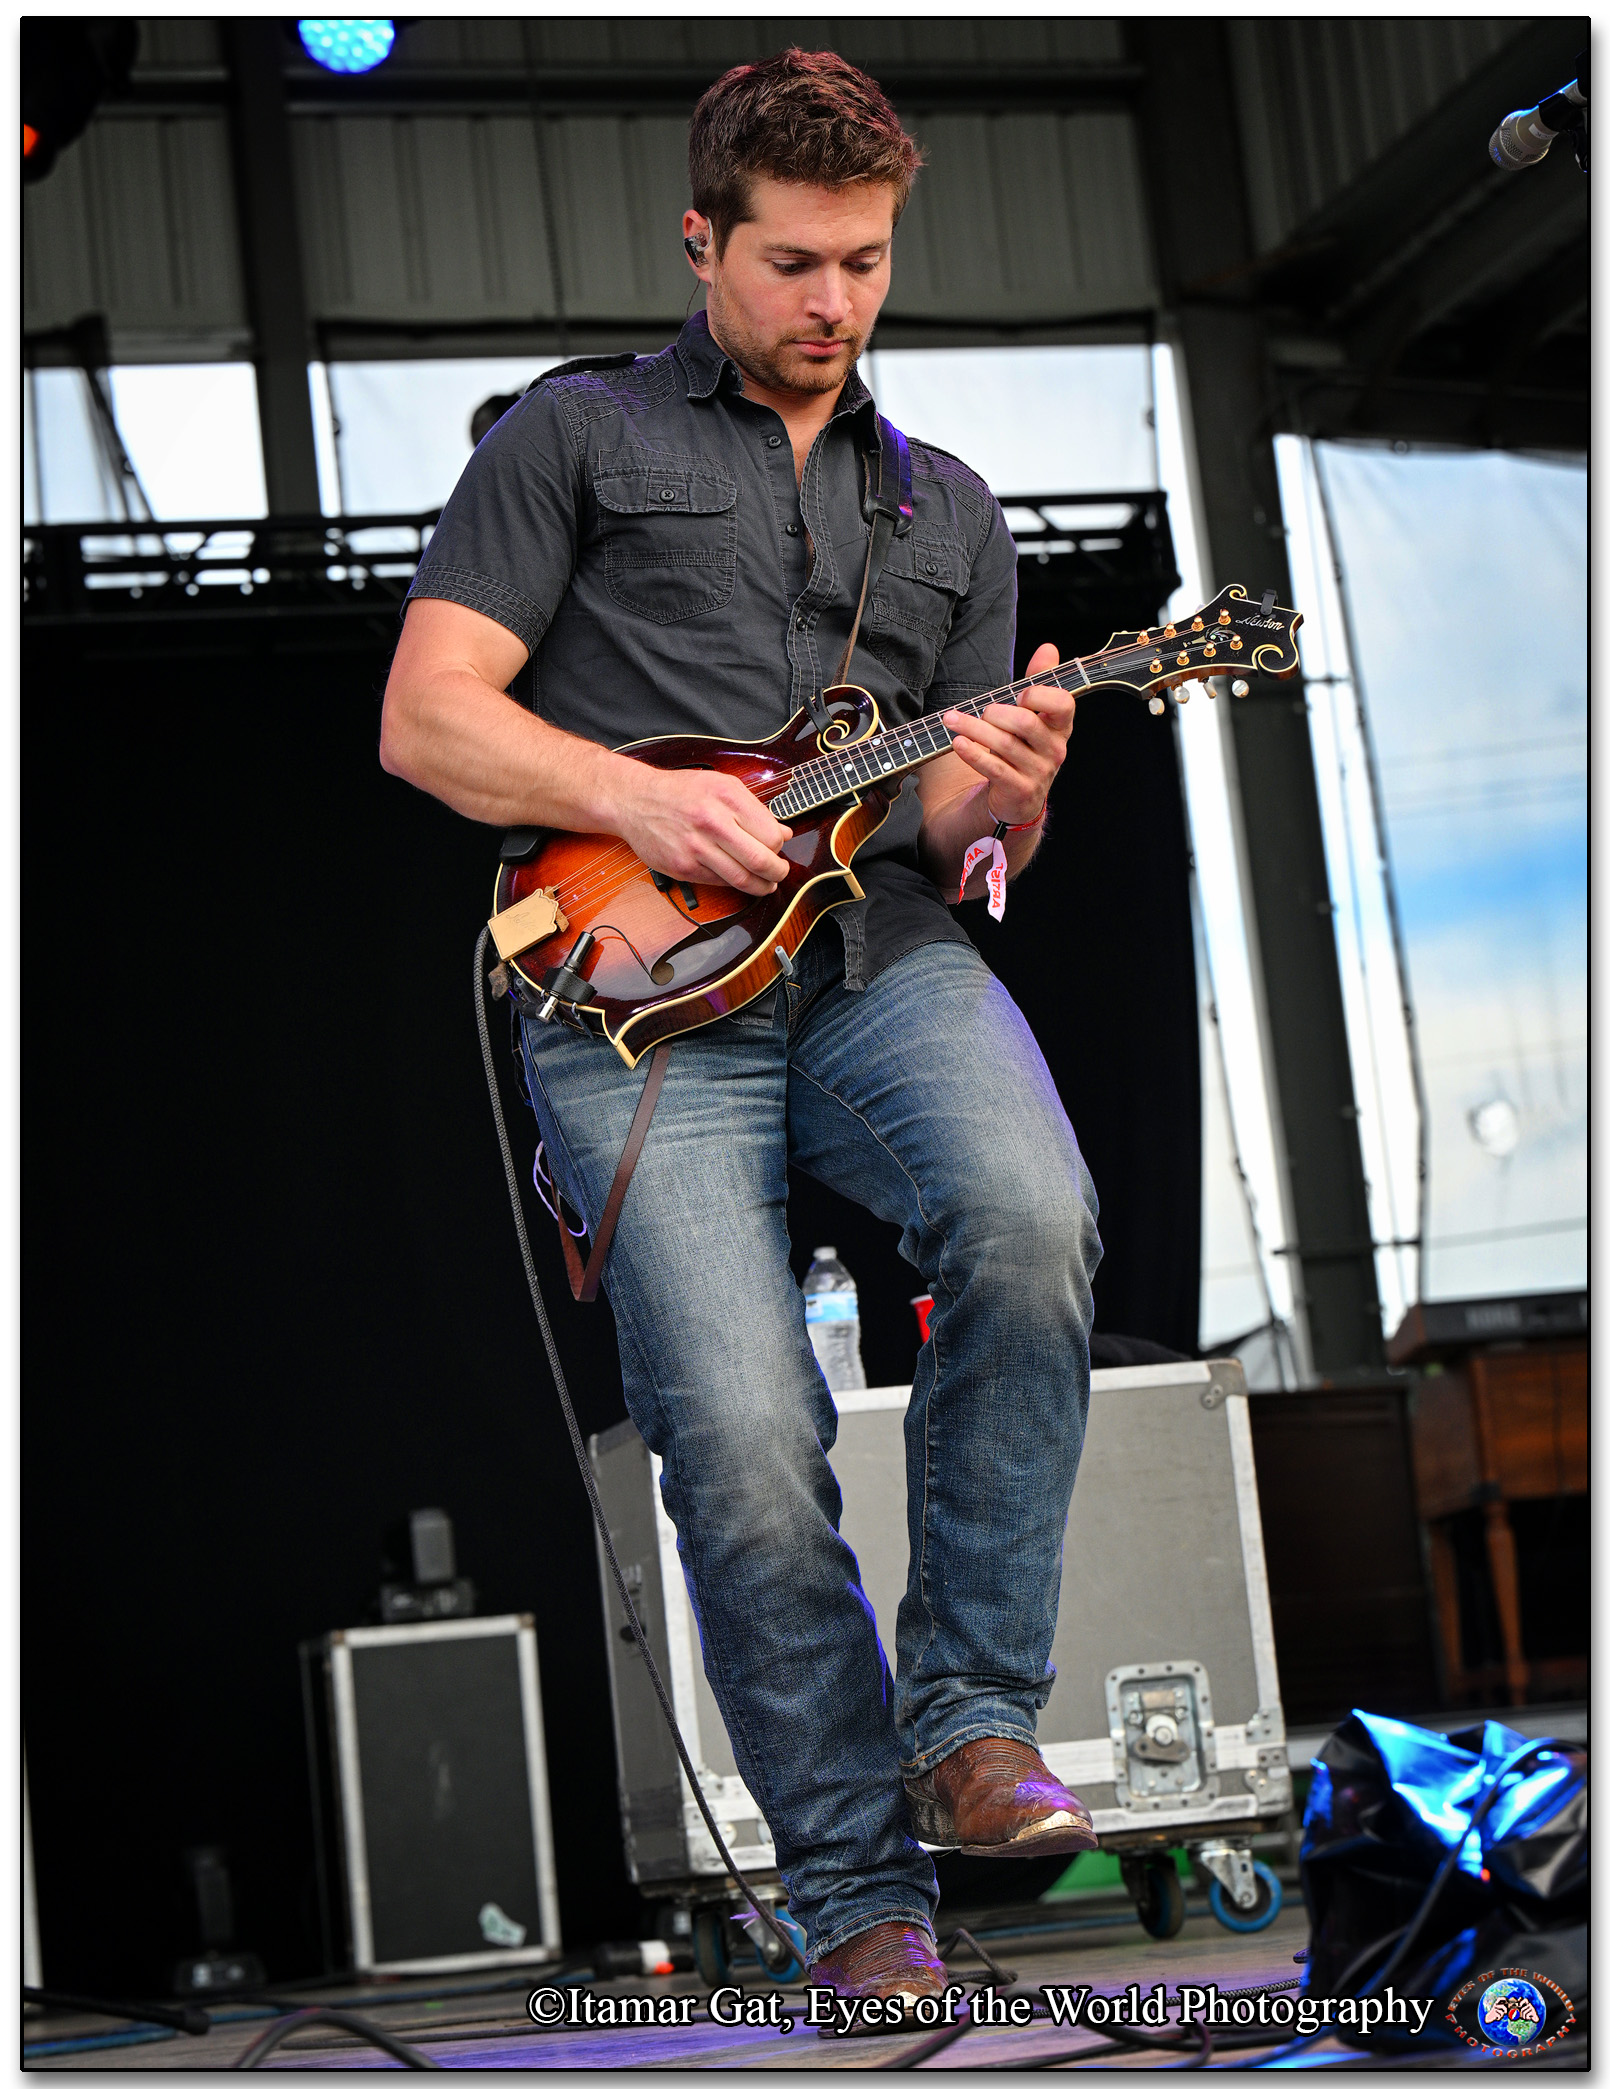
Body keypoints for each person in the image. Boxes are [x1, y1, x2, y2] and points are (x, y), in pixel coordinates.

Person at [380, 49, 1102, 2006]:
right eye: (793, 261)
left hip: (873, 954)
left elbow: (955, 838)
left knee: (1031, 1221)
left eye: (865, 262)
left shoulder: (949, 511)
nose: (834, 302)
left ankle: (973, 1728)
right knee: (743, 1432)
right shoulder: (577, 438)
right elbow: (427, 719)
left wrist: (1012, 785)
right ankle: (857, 1899)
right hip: (626, 994)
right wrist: (637, 796)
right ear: (701, 242)